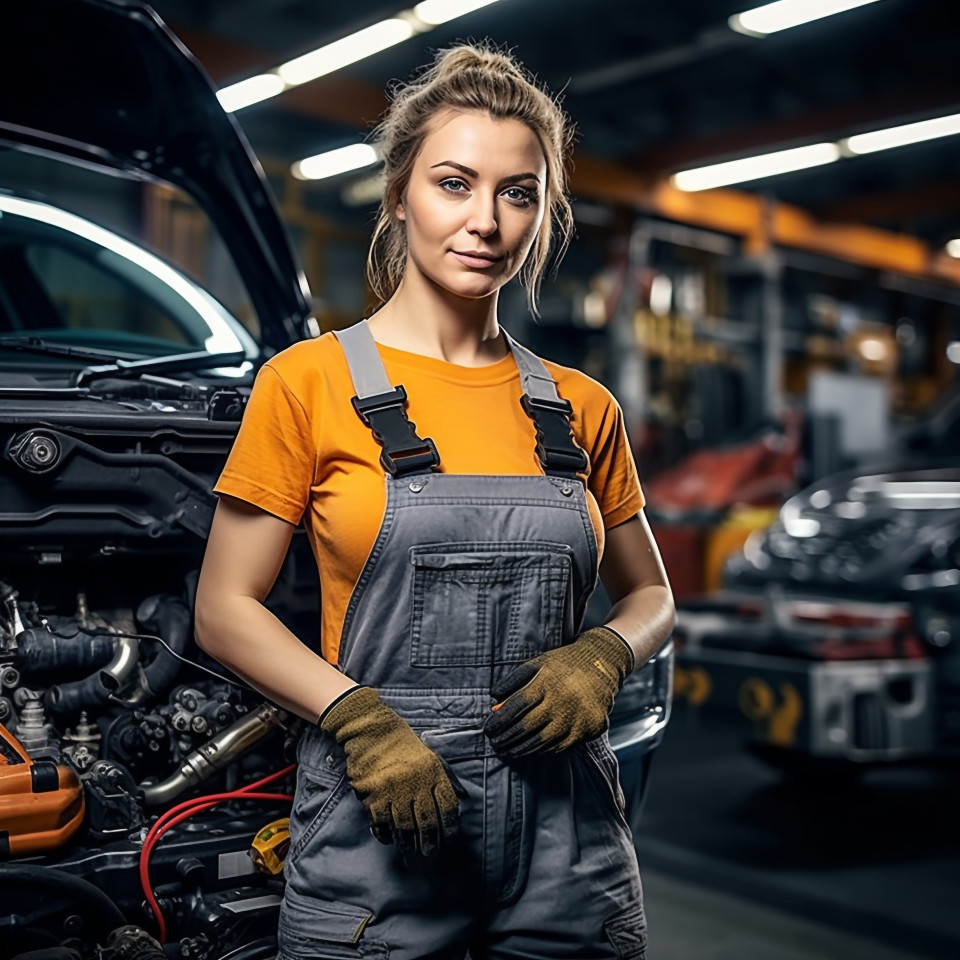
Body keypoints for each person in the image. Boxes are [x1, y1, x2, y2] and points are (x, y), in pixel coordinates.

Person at [195, 42, 675, 960]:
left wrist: (604, 657)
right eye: (455, 183)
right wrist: (357, 717)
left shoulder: (580, 407)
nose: (486, 221)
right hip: (381, 830)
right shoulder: (309, 383)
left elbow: (652, 595)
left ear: (543, 213)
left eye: (518, 193)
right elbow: (222, 608)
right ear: (401, 194)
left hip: (566, 844)